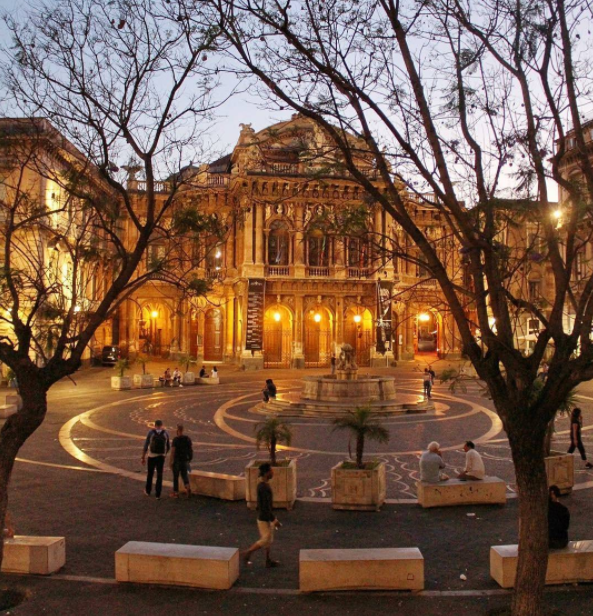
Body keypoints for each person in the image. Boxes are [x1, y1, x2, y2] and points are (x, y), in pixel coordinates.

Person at [242, 463, 281, 568]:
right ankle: (248, 552)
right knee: (265, 539)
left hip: (266, 516)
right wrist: (273, 520)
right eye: (271, 470)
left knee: (269, 539)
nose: (273, 472)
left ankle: (268, 560)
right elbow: (265, 506)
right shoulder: (263, 487)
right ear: (267, 472)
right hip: (264, 517)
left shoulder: (263, 485)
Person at [141, 420, 170, 499]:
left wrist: (143, 457)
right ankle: (158, 494)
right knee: (159, 475)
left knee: (150, 474)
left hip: (151, 456)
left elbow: (146, 445)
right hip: (161, 456)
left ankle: (148, 490)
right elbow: (168, 446)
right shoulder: (165, 433)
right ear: (162, 425)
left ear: (155, 425)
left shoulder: (151, 433)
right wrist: (164, 454)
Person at [170, 424, 193, 499]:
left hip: (177, 460)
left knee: (175, 477)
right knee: (184, 475)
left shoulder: (175, 440)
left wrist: (171, 461)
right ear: (183, 430)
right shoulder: (187, 439)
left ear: (177, 430)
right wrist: (189, 458)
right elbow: (190, 449)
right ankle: (188, 487)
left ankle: (176, 493)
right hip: (184, 460)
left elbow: (173, 451)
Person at [548, 485, 570, 549]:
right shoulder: (563, 509)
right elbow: (566, 526)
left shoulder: (545, 508)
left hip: (548, 541)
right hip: (560, 541)